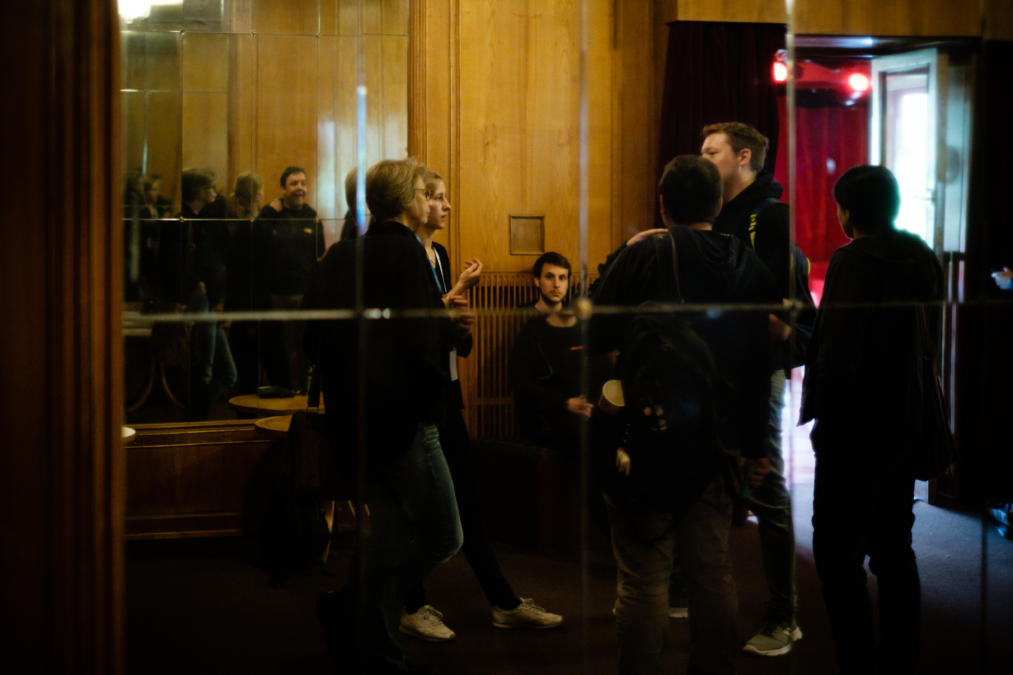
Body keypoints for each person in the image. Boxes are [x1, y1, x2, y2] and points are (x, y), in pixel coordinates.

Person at [591, 155, 777, 675]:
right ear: (718, 204)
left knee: (643, 579)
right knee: (711, 572)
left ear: (662, 205)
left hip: (646, 436)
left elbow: (596, 334)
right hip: (715, 442)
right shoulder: (743, 260)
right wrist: (756, 446)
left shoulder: (644, 254)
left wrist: (624, 252)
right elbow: (759, 359)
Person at [311, 158, 463, 675]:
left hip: (353, 421)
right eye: (425, 192)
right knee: (444, 534)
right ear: (406, 201)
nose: (432, 201)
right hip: (405, 423)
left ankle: (371, 643)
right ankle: (356, 605)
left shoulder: (340, 255)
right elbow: (424, 343)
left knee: (390, 536)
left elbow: (311, 340)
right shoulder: (407, 253)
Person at [397, 168, 562, 642]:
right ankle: (408, 602)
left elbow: (448, 333)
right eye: (438, 197)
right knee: (419, 512)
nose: (446, 206)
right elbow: (412, 330)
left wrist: (462, 323)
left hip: (447, 393)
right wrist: (455, 297)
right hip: (417, 402)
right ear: (416, 202)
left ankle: (502, 602)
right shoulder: (405, 257)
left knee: (469, 501)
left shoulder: (441, 254)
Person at [800, 165, 943, 675]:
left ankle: (857, 661)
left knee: (836, 555)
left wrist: (823, 423)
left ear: (847, 212)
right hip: (903, 421)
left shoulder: (853, 260)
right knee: (894, 548)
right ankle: (901, 660)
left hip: (854, 430)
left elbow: (837, 351)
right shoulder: (920, 255)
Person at [701, 121, 802, 655]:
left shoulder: (771, 216)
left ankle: (784, 615)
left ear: (743, 157)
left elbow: (784, 317)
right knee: (710, 480)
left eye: (711, 151)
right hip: (716, 366)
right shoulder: (716, 215)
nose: (702, 159)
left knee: (766, 487)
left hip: (758, 369)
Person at [510, 251, 610, 455]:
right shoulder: (526, 322)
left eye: (562, 278)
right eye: (550, 277)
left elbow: (594, 367)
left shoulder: (577, 322)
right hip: (547, 419)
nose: (556, 284)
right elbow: (522, 384)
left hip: (582, 411)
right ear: (537, 281)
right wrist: (565, 403)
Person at [160, 167, 237, 419]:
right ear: (200, 191)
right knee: (205, 368)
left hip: (207, 301)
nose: (215, 192)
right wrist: (196, 283)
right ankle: (194, 421)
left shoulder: (198, 220)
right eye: (211, 187)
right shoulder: (182, 222)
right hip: (197, 300)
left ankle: (197, 415)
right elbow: (170, 264)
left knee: (226, 373)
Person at [253, 166, 324, 392]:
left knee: (304, 347)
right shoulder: (271, 214)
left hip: (304, 294)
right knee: (279, 348)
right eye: (294, 184)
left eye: (303, 183)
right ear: (283, 189)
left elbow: (319, 253)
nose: (300, 188)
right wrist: (268, 213)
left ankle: (304, 392)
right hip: (276, 296)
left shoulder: (312, 216)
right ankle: (282, 391)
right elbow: (256, 242)